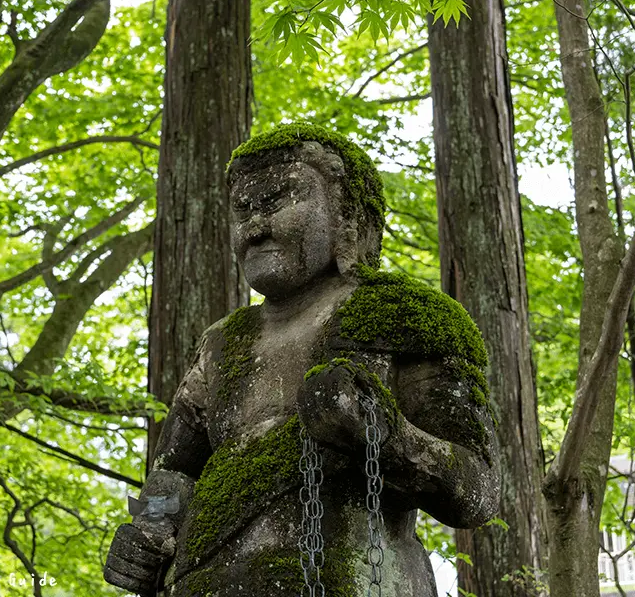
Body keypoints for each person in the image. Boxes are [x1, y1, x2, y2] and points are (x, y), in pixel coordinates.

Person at [104, 123, 499, 596]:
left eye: (279, 201)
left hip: (348, 578)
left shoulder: (401, 317)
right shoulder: (222, 344)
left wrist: (384, 436)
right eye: (242, 211)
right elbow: (177, 466)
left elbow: (477, 490)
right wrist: (149, 530)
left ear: (345, 214)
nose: (254, 227)